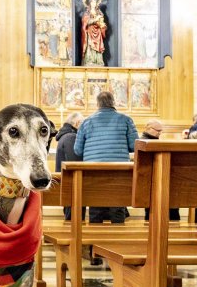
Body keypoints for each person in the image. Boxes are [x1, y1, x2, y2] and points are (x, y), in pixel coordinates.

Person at [74, 91, 137, 223]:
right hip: (119, 170)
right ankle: (116, 241)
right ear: (113, 102)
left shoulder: (86, 122)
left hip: (93, 170)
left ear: (97, 104)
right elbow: (135, 145)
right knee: (117, 206)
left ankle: (93, 241)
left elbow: (77, 150)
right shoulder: (126, 120)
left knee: (95, 207)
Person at [55, 113, 84, 220]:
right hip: (72, 184)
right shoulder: (71, 137)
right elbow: (75, 162)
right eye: (83, 123)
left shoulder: (66, 135)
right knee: (73, 218)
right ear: (77, 123)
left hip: (68, 182)